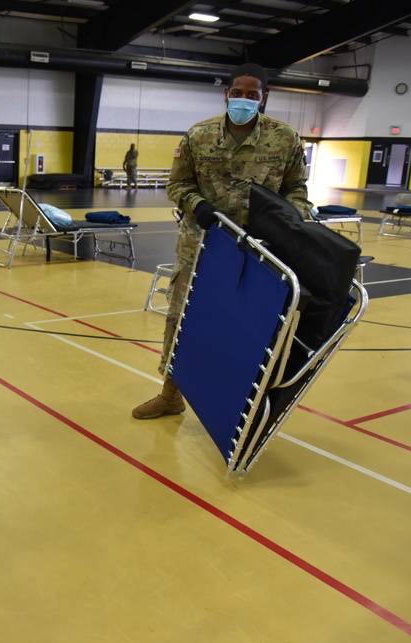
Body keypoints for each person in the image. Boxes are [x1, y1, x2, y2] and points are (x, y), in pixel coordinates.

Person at [132, 63, 312, 420]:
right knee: (181, 317)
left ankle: (239, 403)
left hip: (260, 249)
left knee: (250, 324)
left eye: (252, 94)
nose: (243, 100)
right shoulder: (197, 135)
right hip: (201, 243)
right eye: (237, 93)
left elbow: (297, 189)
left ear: (263, 98)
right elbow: (177, 185)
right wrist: (199, 207)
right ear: (226, 94)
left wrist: (289, 218)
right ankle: (171, 393)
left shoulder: (285, 137)